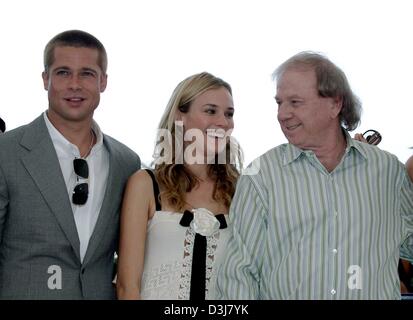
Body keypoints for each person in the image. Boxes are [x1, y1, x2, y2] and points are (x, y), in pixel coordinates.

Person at [217, 51, 413, 299]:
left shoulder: (388, 171)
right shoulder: (260, 176)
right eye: (279, 102)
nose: (282, 114)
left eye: (295, 102)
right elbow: (238, 275)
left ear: (334, 104)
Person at [0, 30, 140, 299]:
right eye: (63, 72)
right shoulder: (6, 153)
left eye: (87, 73)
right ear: (45, 79)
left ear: (103, 82)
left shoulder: (127, 163)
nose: (75, 84)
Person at [116, 72, 241, 300]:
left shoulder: (240, 191)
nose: (223, 122)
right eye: (210, 111)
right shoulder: (145, 184)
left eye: (229, 114)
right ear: (179, 117)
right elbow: (127, 286)